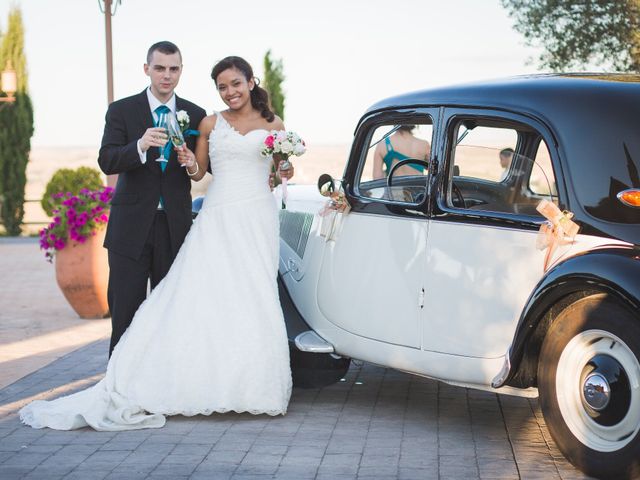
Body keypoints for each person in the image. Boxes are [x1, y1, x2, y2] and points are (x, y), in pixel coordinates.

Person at [19, 55, 294, 431]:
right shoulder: (161, 115)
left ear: (250, 81)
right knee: (144, 306)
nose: (230, 91)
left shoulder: (224, 118)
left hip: (235, 220)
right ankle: (123, 380)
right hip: (155, 223)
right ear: (147, 69)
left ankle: (240, 382)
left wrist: (283, 168)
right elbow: (128, 162)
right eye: (223, 86)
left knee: (238, 295)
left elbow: (269, 169)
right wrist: (155, 150)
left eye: (235, 84)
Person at [96, 41, 207, 356]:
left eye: (173, 69)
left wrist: (193, 164)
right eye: (159, 68)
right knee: (125, 311)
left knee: (169, 313)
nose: (166, 76)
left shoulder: (195, 114)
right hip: (129, 229)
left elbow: (206, 167)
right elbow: (107, 160)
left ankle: (162, 385)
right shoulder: (121, 110)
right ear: (147, 69)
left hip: (174, 227)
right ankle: (119, 385)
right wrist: (140, 146)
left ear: (181, 71)